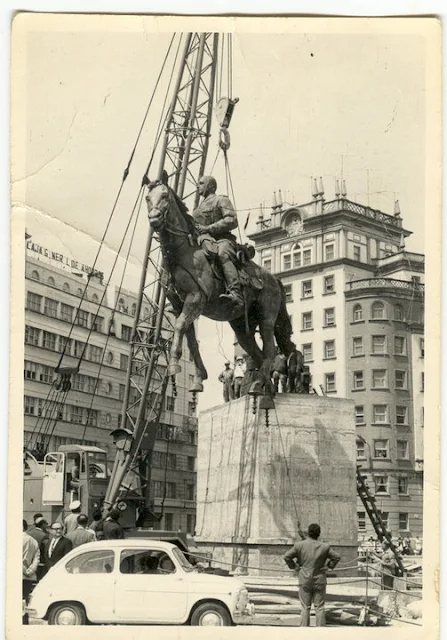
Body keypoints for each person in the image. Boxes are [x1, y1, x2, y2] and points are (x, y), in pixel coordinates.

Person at [192, 175, 243, 310]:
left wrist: (208, 228)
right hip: (204, 241)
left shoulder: (221, 200)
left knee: (222, 254)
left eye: (201, 183)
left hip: (222, 240)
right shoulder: (197, 210)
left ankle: (235, 293)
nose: (198, 186)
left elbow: (231, 220)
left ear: (211, 186)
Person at [284, 523, 341, 627]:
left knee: (305, 607)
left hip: (304, 579)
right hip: (320, 579)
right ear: (319, 533)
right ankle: (320, 632)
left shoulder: (299, 545)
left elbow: (287, 557)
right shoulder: (325, 546)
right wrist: (329, 566)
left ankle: (304, 631)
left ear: (308, 533)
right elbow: (337, 557)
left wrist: (295, 567)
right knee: (319, 608)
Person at [23, 520, 40, 624]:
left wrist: (23, 570)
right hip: (29, 577)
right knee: (25, 601)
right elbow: (36, 559)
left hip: (17, 575)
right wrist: (30, 571)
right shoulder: (33, 541)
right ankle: (24, 621)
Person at [27, 515, 49, 581]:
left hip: (29, 560)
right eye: (46, 523)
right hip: (40, 562)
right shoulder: (44, 535)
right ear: (43, 524)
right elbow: (46, 549)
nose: (47, 525)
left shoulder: (28, 533)